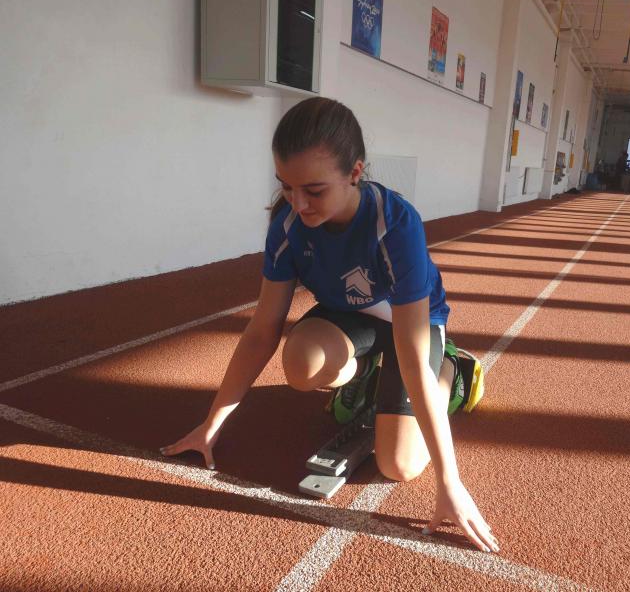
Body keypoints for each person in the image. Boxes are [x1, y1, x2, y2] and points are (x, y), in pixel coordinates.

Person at [160, 97, 499, 553]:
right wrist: (211, 424)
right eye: (286, 187)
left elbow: (412, 354)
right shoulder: (287, 227)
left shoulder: (395, 226)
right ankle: (368, 375)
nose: (298, 203)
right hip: (349, 317)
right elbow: (262, 331)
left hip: (410, 324)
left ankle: (454, 372)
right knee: (301, 364)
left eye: (314, 191)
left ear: (355, 172)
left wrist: (450, 482)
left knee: (399, 465)